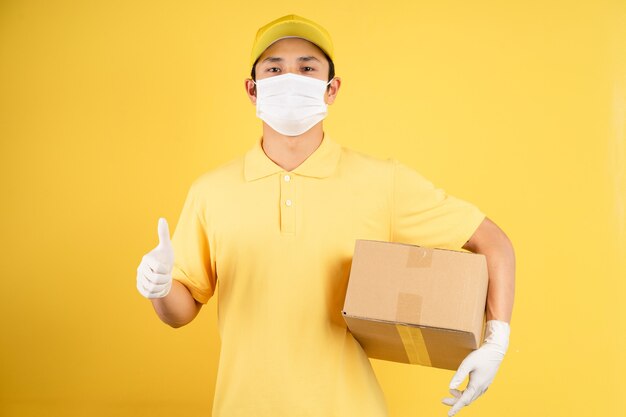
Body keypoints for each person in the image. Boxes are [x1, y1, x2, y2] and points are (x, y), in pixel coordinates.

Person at [136, 14, 515, 417]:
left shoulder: (381, 181)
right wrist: (159, 289)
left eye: (307, 67)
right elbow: (181, 312)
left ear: (331, 89)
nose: (290, 77)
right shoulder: (211, 191)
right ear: (253, 89)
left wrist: (495, 343)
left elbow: (492, 242)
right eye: (275, 68)